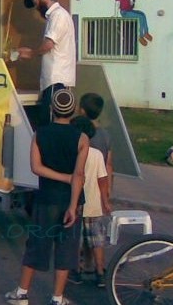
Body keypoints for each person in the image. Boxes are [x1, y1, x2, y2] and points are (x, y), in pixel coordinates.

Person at [5, 89, 88, 305]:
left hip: (46, 199)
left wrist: (62, 177)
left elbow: (36, 168)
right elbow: (79, 175)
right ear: (73, 111)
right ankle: (57, 298)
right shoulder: (82, 138)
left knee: (37, 244)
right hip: (72, 200)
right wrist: (72, 204)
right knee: (66, 248)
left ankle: (22, 293)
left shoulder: (39, 134)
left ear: (52, 109)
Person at [18, 0, 76, 126]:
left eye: (35, 2)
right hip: (55, 80)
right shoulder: (56, 16)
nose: (36, 7)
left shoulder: (58, 15)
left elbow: (49, 44)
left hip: (56, 79)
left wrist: (30, 53)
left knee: (50, 123)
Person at [68, 115, 111, 288]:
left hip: (76, 205)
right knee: (97, 241)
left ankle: (76, 271)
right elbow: (103, 180)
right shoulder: (97, 154)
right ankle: (100, 272)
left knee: (75, 241)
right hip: (94, 205)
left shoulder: (72, 153)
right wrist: (105, 201)